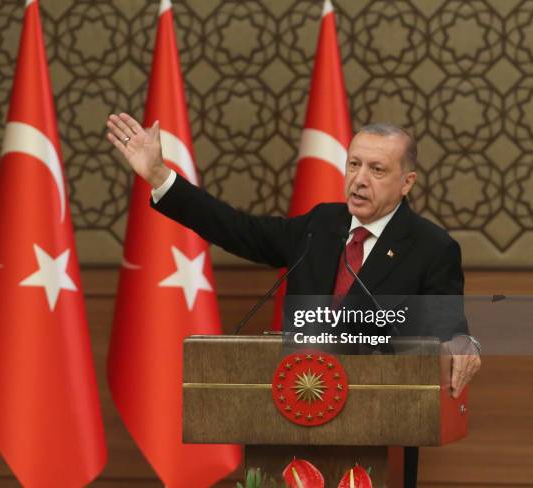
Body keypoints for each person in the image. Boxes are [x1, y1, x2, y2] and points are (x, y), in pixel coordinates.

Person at [106, 112, 481, 486]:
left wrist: (462, 344)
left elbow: (448, 328)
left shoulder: (432, 247)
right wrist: (159, 176)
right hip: (291, 417)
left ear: (406, 182)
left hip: (381, 435)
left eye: (377, 170)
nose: (360, 180)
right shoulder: (320, 226)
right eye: (354, 165)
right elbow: (238, 230)